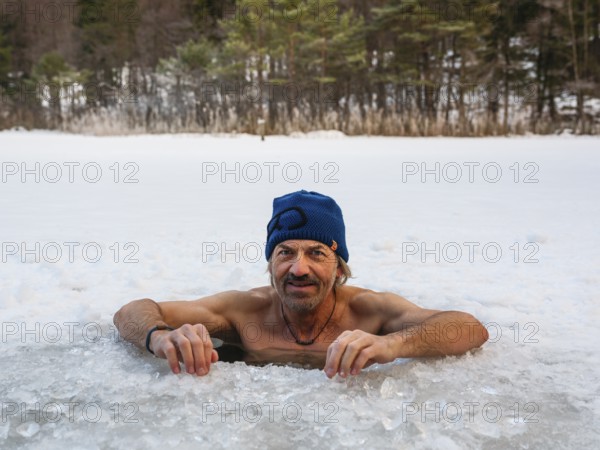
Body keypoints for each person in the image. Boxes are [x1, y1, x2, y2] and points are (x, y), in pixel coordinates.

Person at [114, 190, 488, 378]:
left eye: (316, 253)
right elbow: (131, 311)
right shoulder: (244, 311)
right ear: (270, 264)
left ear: (340, 267)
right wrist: (160, 337)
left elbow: (469, 328)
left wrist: (392, 344)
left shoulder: (369, 311)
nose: (298, 268)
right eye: (285, 253)